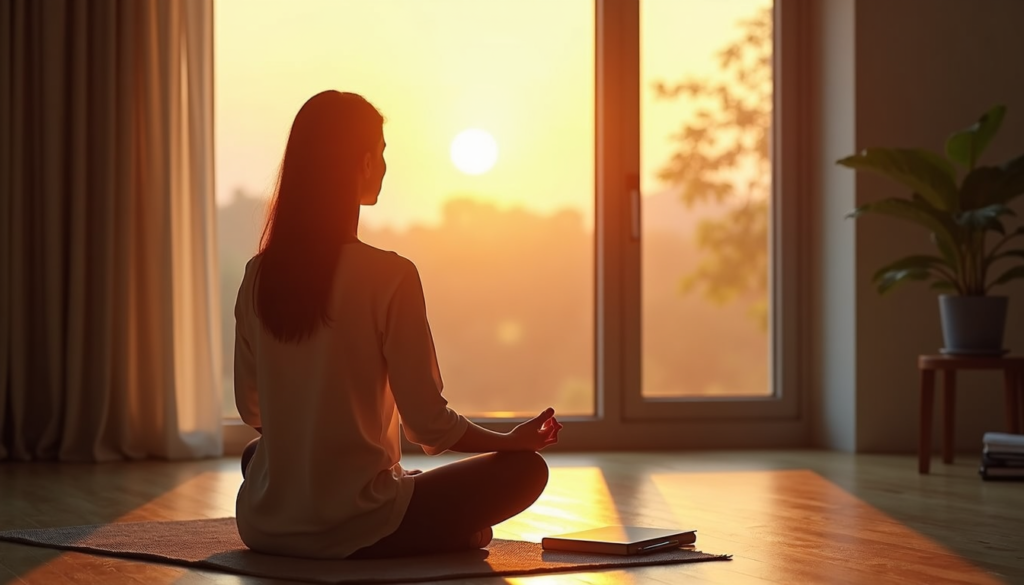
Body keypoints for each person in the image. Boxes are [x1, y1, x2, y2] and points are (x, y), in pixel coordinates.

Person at [232, 90, 562, 560]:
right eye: (382, 153)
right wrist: (509, 442)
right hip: (355, 519)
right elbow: (428, 425)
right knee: (525, 471)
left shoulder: (257, 275)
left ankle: (388, 517)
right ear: (363, 162)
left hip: (266, 524)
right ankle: (423, 535)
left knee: (256, 459)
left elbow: (254, 413)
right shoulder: (390, 275)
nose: (385, 167)